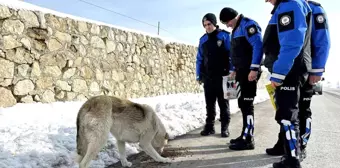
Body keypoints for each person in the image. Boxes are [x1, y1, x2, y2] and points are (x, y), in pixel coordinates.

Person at [265, 0, 331, 162]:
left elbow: (320, 41)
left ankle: (295, 153)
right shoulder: (286, 6)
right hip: (293, 66)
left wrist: (317, 69)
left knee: (294, 112)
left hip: (293, 68)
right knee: (290, 111)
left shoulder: (295, 5)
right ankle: (288, 146)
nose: (266, 1)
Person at [263, 0, 313, 167]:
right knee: (287, 113)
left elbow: (292, 42)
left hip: (289, 70)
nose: (266, 0)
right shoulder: (288, 5)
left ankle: (292, 160)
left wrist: (278, 73)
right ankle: (289, 154)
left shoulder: (290, 5)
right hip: (289, 69)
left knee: (287, 115)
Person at [219, 7, 263, 150]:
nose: (227, 25)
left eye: (227, 22)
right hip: (241, 73)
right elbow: (236, 53)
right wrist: (233, 70)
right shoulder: (236, 30)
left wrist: (254, 68)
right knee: (243, 104)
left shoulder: (248, 25)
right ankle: (244, 134)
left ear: (233, 17)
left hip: (249, 73)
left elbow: (258, 45)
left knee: (247, 104)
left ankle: (248, 139)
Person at [196, 13, 233, 138]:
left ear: (214, 23)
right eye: (205, 25)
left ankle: (224, 127)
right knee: (209, 104)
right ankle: (210, 127)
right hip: (208, 77)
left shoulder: (224, 36)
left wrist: (232, 71)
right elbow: (199, 59)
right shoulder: (203, 40)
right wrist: (198, 75)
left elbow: (231, 55)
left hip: (224, 76)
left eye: (209, 24)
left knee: (224, 103)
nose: (207, 27)